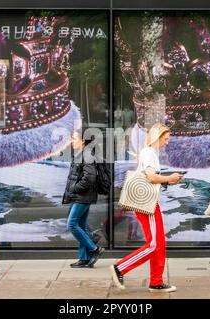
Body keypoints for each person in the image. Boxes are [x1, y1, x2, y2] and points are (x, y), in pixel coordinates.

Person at [110, 123, 183, 292]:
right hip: (146, 204)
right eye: (165, 139)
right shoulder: (149, 152)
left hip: (148, 203)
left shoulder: (149, 152)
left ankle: (156, 282)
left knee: (159, 243)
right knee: (154, 244)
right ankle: (120, 268)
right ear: (157, 137)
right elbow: (150, 177)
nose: (166, 143)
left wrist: (167, 179)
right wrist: (169, 178)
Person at [62, 131, 104, 268]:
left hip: (83, 196)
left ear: (83, 141)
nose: (72, 141)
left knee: (72, 224)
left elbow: (90, 177)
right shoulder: (80, 154)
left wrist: (75, 188)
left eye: (74, 138)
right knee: (80, 225)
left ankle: (94, 249)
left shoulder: (86, 155)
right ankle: (84, 258)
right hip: (81, 196)